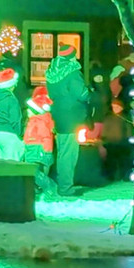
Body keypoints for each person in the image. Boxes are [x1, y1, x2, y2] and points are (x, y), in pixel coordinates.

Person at [45, 44, 89, 196]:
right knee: (69, 154)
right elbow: (81, 93)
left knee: (63, 151)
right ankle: (65, 187)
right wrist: (90, 93)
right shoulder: (73, 72)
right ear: (72, 56)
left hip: (58, 115)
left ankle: (63, 184)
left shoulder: (51, 72)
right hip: (72, 116)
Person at [23, 85, 55, 195]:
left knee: (34, 170)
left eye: (29, 109)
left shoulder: (39, 121)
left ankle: (49, 186)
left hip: (37, 148)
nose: (27, 111)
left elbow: (45, 136)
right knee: (35, 170)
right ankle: (37, 187)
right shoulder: (34, 120)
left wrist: (46, 151)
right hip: (33, 147)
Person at [0, 68, 24, 161]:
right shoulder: (11, 99)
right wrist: (19, 135)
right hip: (8, 134)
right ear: (11, 85)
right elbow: (15, 120)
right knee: (10, 166)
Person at [101, 98, 134, 182]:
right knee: (110, 161)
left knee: (123, 160)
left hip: (121, 143)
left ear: (121, 108)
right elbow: (105, 128)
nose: (115, 108)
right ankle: (110, 177)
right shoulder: (109, 117)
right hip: (110, 143)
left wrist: (129, 138)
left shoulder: (124, 118)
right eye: (113, 106)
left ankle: (124, 175)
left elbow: (128, 129)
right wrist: (104, 137)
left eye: (117, 107)